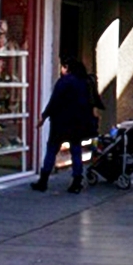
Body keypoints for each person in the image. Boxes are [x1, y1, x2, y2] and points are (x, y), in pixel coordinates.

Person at [31, 57, 93, 194]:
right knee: (76, 151)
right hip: (77, 122)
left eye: (62, 66)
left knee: (52, 149)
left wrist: (44, 116)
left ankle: (43, 180)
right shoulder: (84, 82)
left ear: (67, 67)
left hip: (60, 121)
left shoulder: (64, 82)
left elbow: (54, 101)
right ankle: (77, 180)